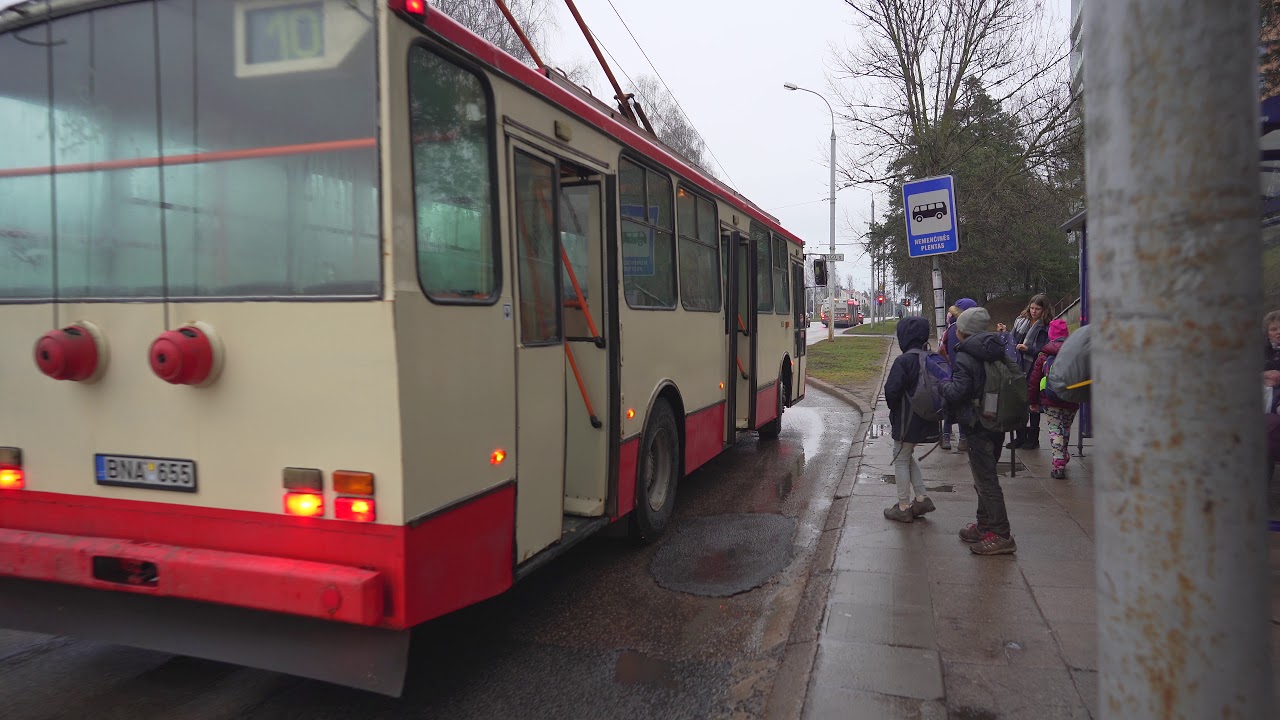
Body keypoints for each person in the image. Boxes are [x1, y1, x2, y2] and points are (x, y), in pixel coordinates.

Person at [938, 306, 1017, 555]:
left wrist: (943, 385)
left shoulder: (966, 355)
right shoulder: (995, 348)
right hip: (995, 421)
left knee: (986, 481)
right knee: (986, 476)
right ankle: (985, 525)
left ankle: (1001, 534)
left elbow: (958, 392)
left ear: (962, 331)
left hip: (977, 424)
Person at [882, 316, 940, 523]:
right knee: (906, 455)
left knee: (900, 457)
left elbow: (891, 392)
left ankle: (903, 506)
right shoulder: (931, 358)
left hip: (907, 419)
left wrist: (895, 411)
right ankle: (921, 498)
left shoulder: (904, 361)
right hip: (928, 418)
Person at [1028, 319, 1080, 479]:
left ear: (1051, 335)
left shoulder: (1044, 355)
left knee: (1055, 430)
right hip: (1071, 399)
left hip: (1050, 399)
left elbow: (1034, 380)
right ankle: (1062, 455)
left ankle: (1059, 464)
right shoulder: (1075, 353)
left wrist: (1033, 401)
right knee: (1065, 429)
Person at [1009, 294, 1051, 450]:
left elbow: (1046, 349)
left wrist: (1029, 349)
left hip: (1035, 368)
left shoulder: (1047, 327)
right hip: (1018, 366)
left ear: (1044, 310)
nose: (1033, 311)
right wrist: (1004, 332)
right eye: (1032, 308)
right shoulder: (1021, 322)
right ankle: (1020, 436)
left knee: (1033, 403)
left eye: (1037, 309)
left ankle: (1033, 438)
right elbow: (1011, 340)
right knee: (1018, 403)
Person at [940, 297, 977, 451]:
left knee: (949, 406)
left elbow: (943, 350)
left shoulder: (951, 329)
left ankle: (946, 437)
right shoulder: (969, 330)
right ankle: (963, 439)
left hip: (951, 373)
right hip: (965, 374)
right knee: (964, 407)